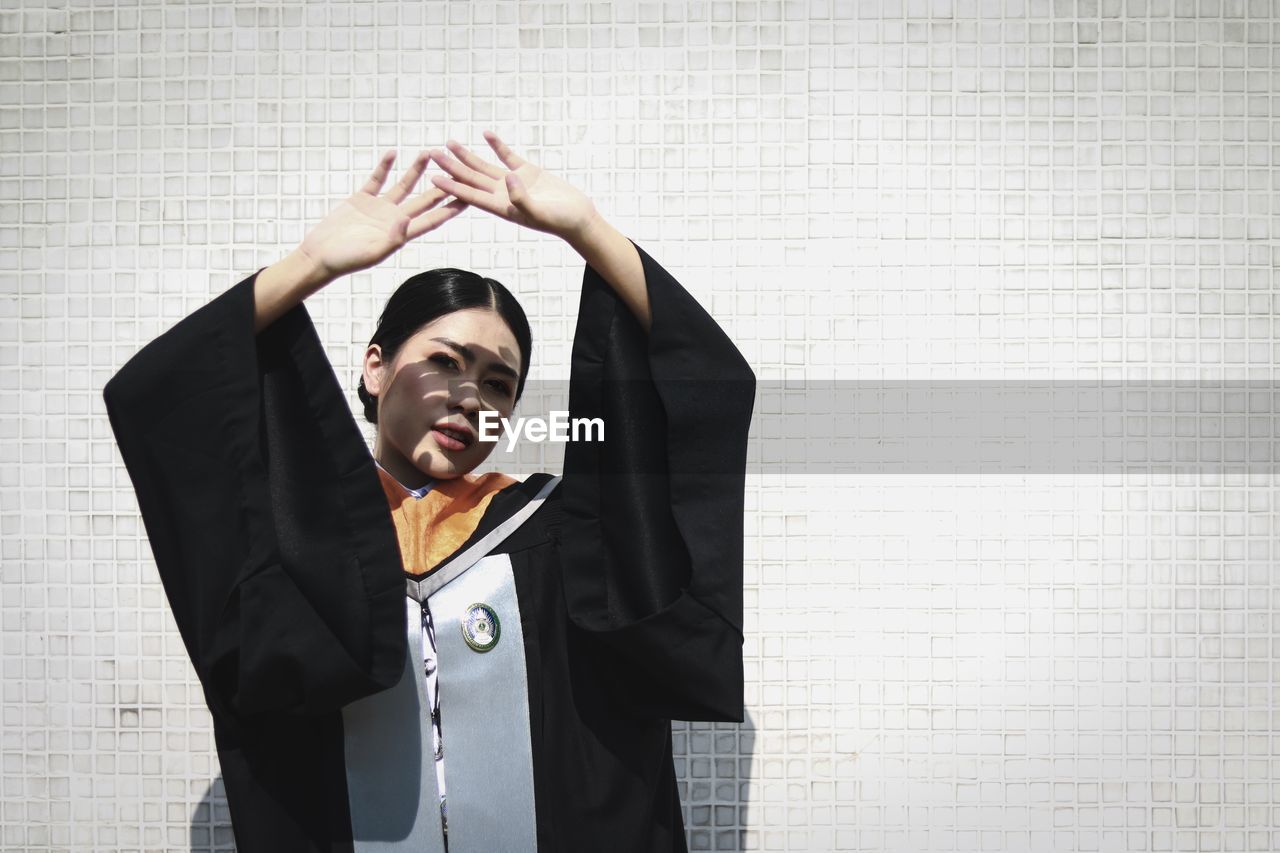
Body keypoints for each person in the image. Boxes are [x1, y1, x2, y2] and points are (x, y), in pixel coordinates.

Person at [102, 131, 756, 853]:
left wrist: (588, 232)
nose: (470, 395)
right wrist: (310, 265)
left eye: (499, 383)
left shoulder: (564, 535)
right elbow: (163, 398)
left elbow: (705, 395)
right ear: (376, 368)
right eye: (444, 361)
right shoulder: (297, 544)